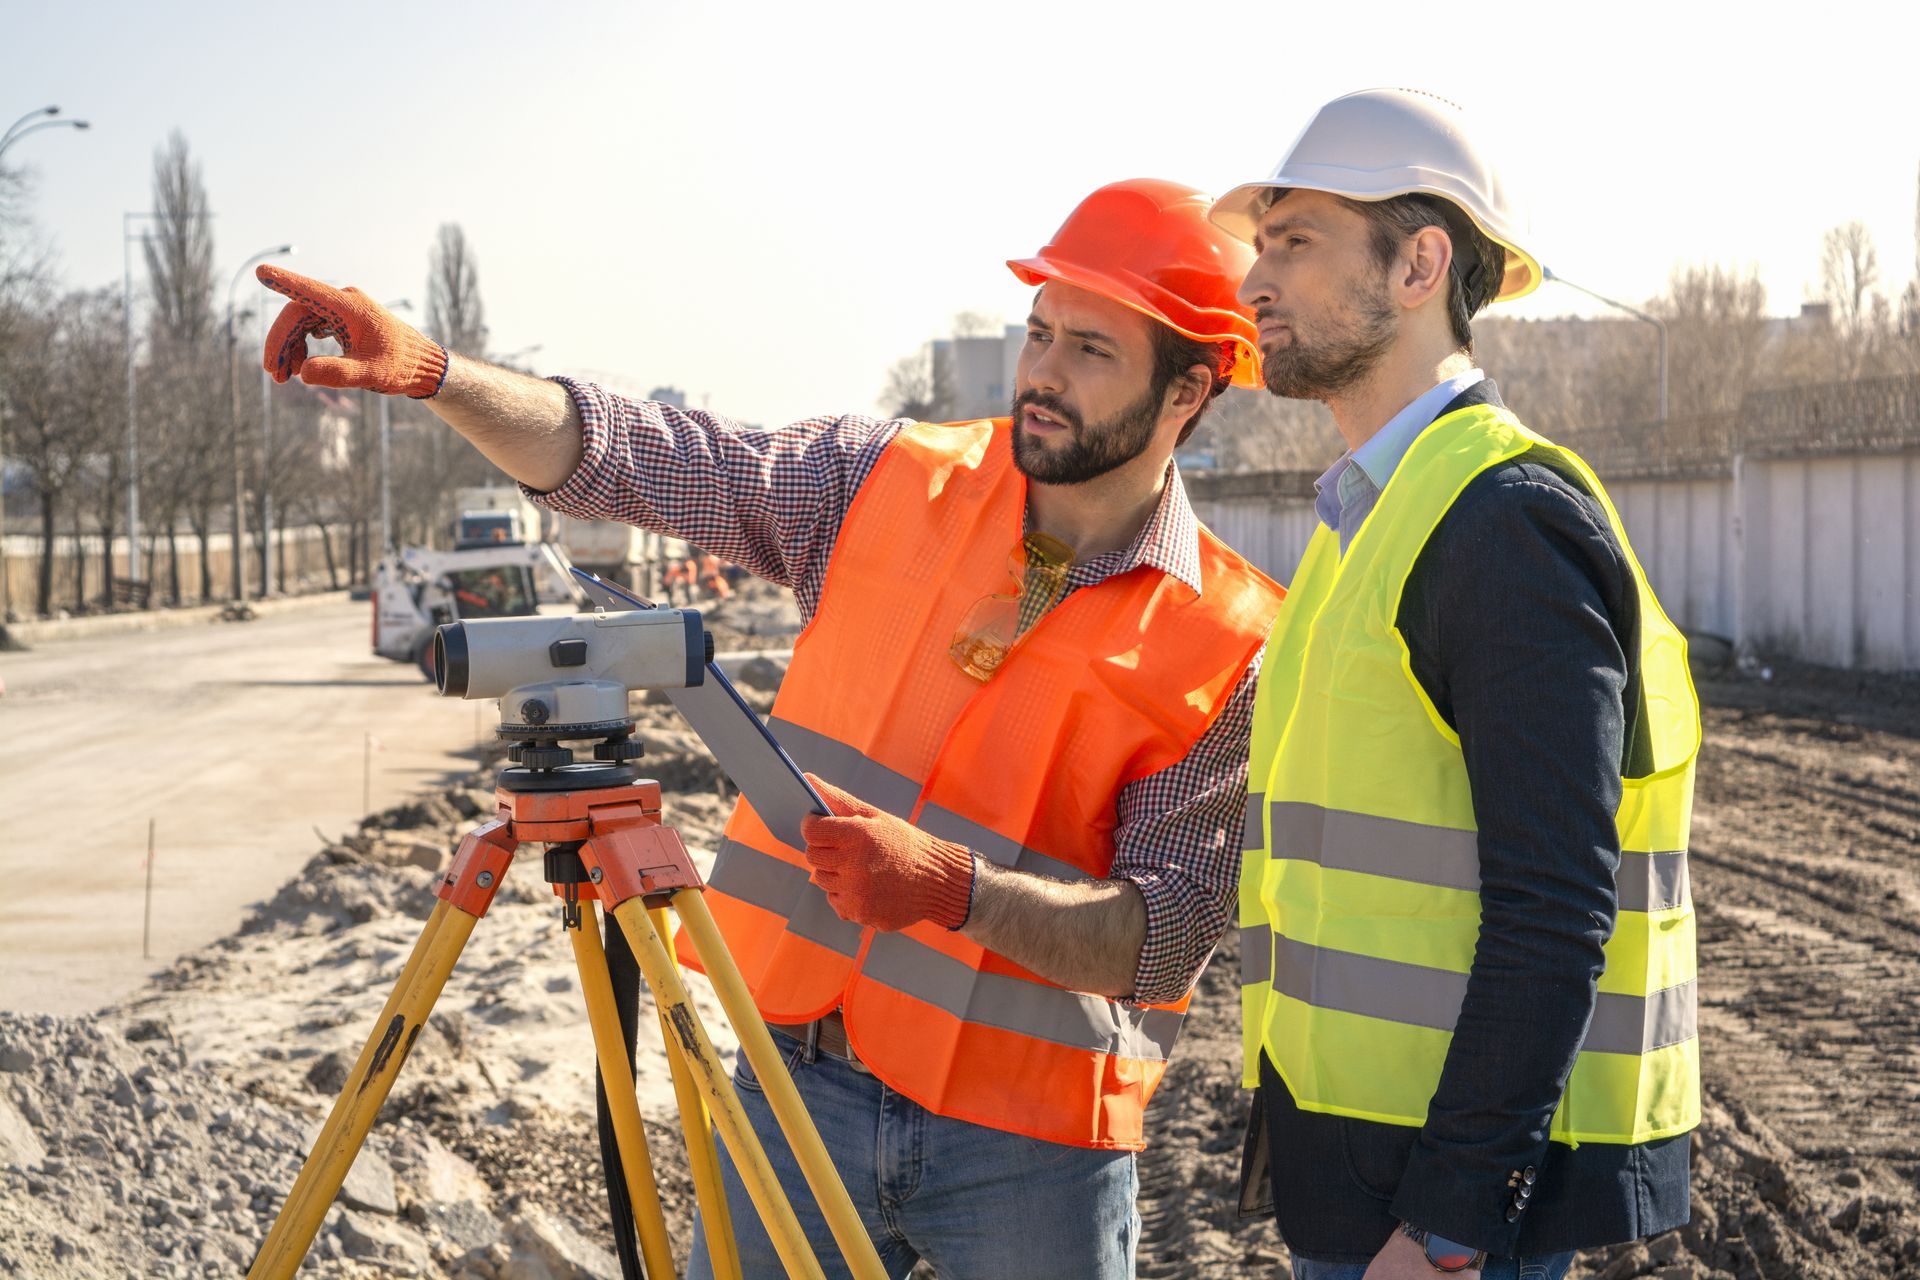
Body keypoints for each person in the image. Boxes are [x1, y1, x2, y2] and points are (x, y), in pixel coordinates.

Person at [256, 178, 1283, 1279]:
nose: (1043, 372)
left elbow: (1163, 935)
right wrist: (437, 373)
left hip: (1033, 1145)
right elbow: (649, 456)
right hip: (798, 1085)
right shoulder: (892, 481)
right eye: (1039, 332)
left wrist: (956, 892)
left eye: (1091, 349)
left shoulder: (1232, 639)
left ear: (1189, 387)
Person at [1209, 89, 1701, 1280]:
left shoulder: (1501, 522)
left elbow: (1557, 902)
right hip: (1361, 1180)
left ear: (1420, 264)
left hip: (1442, 1219)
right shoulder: (1366, 518)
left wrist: (1449, 1223)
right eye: (1259, 246)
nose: (1254, 281)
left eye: (1295, 240)